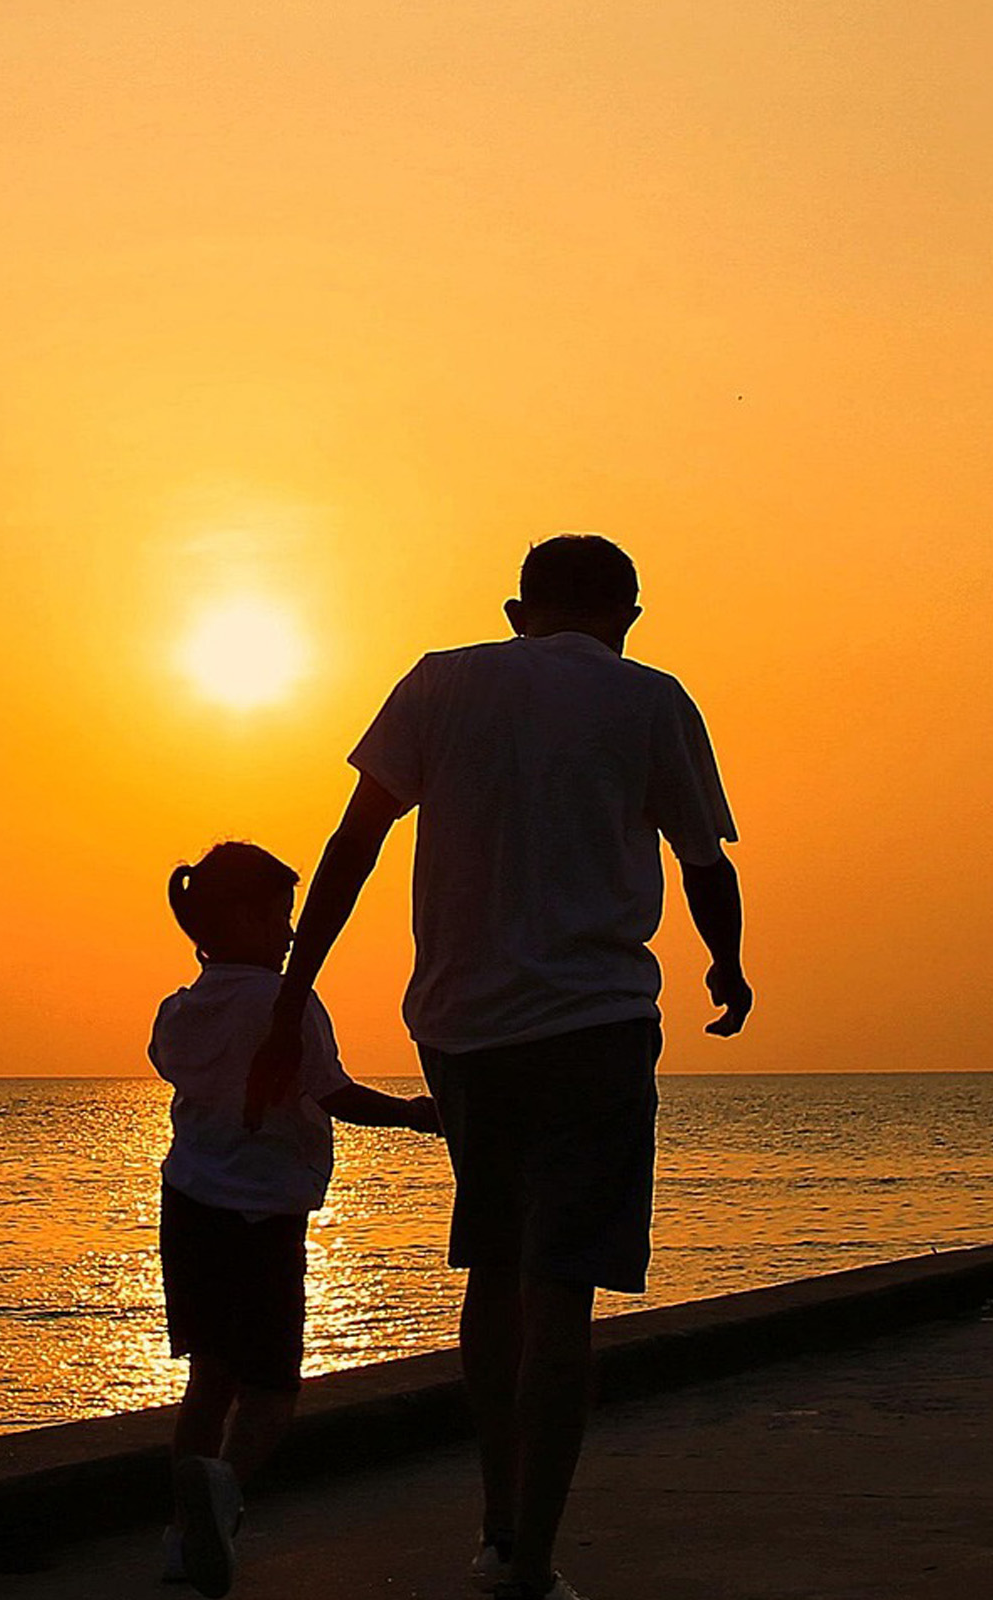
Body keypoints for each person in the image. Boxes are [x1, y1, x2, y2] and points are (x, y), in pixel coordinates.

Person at [257, 535, 749, 1600]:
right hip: (594, 1026)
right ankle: (531, 1558)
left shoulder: (442, 681)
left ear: (519, 607)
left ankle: (491, 1526)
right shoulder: (651, 699)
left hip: (464, 1031)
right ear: (627, 614)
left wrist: (292, 994)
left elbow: (354, 840)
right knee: (558, 1292)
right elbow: (703, 859)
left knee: (492, 1268)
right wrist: (727, 965)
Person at [151, 841, 438, 1598]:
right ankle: (226, 1488)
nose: (289, 937)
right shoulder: (288, 1005)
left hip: (188, 1205)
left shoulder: (177, 1013)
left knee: (208, 1378)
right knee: (273, 1392)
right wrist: (416, 1116)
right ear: (245, 916)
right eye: (282, 917)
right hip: (264, 1216)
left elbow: (182, 1072)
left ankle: (182, 1537)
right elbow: (332, 1092)